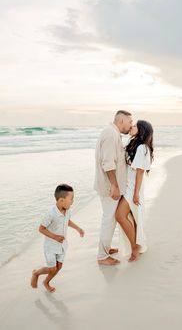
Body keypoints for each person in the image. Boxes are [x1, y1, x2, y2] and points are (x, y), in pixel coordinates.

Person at [94, 110, 133, 266]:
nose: (131, 125)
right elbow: (108, 164)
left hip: (110, 185)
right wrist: (115, 186)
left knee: (109, 218)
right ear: (121, 121)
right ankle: (102, 256)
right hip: (109, 187)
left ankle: (106, 248)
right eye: (130, 122)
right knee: (109, 219)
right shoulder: (111, 134)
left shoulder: (112, 133)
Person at [31, 184, 85, 292]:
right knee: (52, 268)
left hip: (62, 245)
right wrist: (55, 237)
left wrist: (78, 228)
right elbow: (41, 229)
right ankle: (36, 273)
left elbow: (67, 221)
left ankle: (46, 282)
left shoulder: (67, 210)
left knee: (59, 267)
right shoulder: (50, 213)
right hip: (50, 246)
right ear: (61, 200)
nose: (73, 201)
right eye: (71, 199)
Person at [116, 120, 154, 262]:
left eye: (135, 125)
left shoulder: (142, 148)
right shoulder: (135, 145)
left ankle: (135, 247)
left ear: (141, 130)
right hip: (128, 186)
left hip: (133, 188)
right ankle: (138, 245)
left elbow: (140, 172)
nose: (132, 127)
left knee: (120, 216)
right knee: (133, 218)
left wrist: (136, 193)